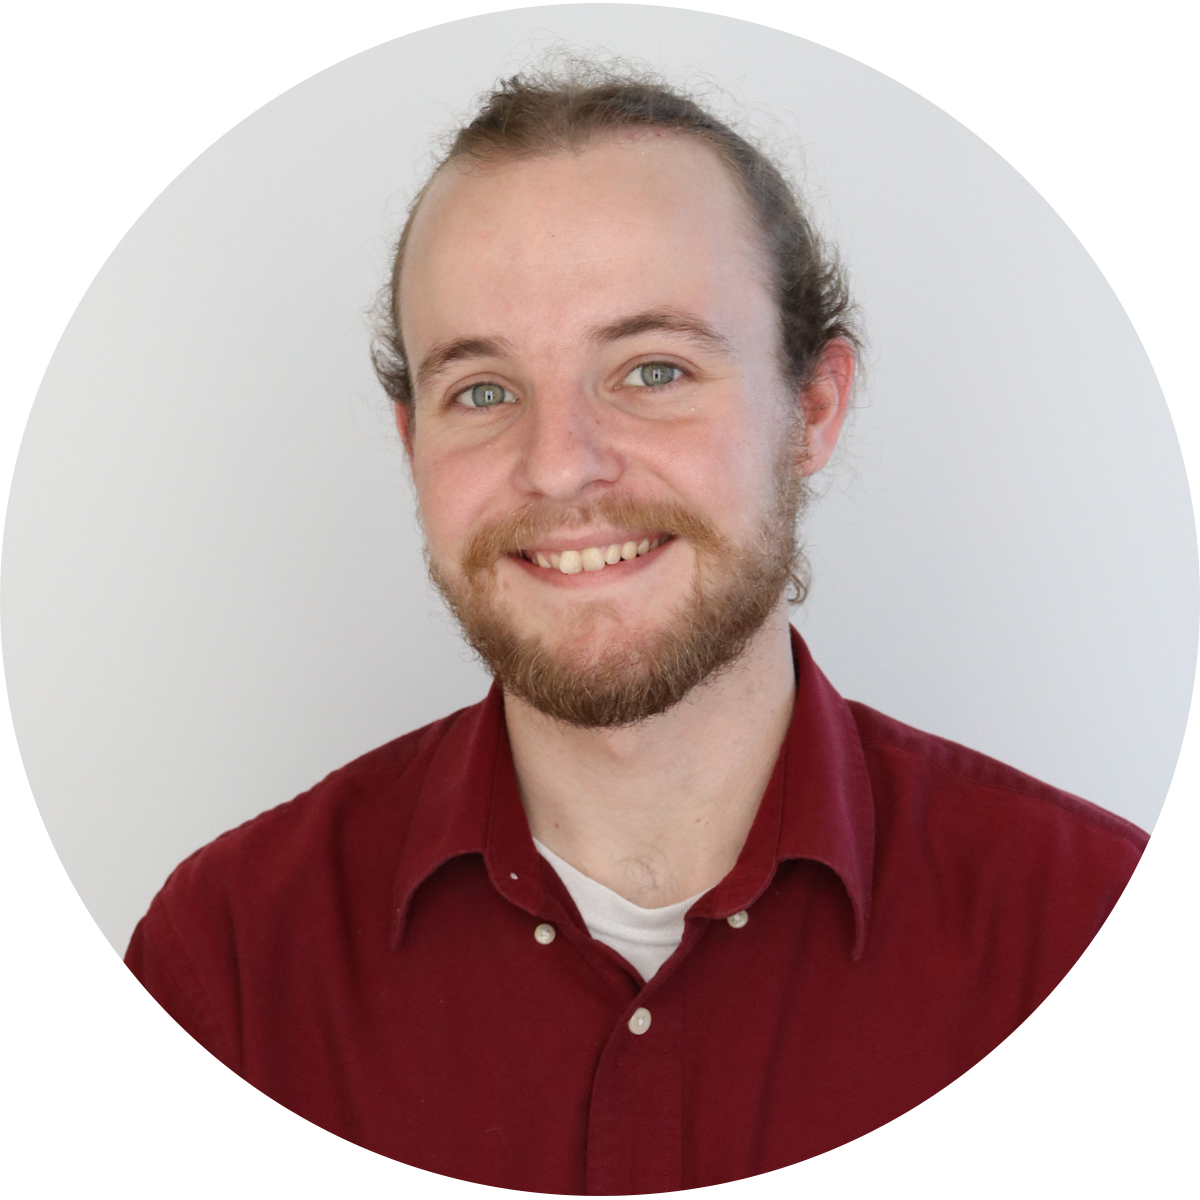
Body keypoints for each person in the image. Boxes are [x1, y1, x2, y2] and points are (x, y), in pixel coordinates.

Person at [54, 62, 1199, 1197]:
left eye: (653, 370)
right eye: (483, 390)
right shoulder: (229, 962)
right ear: (412, 445)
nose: (560, 466)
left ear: (812, 409)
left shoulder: (1112, 956)